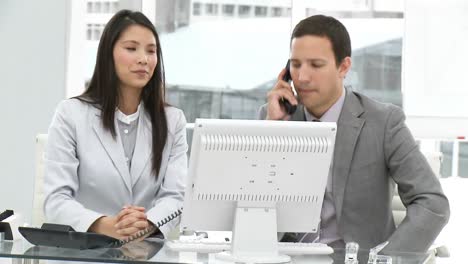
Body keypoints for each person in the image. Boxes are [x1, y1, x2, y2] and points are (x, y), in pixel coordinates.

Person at [258, 15, 450, 252]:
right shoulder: (274, 119)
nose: (302, 77)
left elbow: (432, 204)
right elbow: (247, 203)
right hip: (285, 257)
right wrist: (271, 131)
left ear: (344, 67)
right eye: (295, 65)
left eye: (316, 65)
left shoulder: (383, 122)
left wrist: (386, 259)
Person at [44, 10, 187, 240]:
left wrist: (147, 224)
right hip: (85, 250)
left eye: (151, 51)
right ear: (108, 54)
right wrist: (107, 226)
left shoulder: (173, 120)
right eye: (131, 48)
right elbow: (56, 199)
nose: (144, 59)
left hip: (145, 250)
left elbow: (176, 196)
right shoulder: (70, 114)